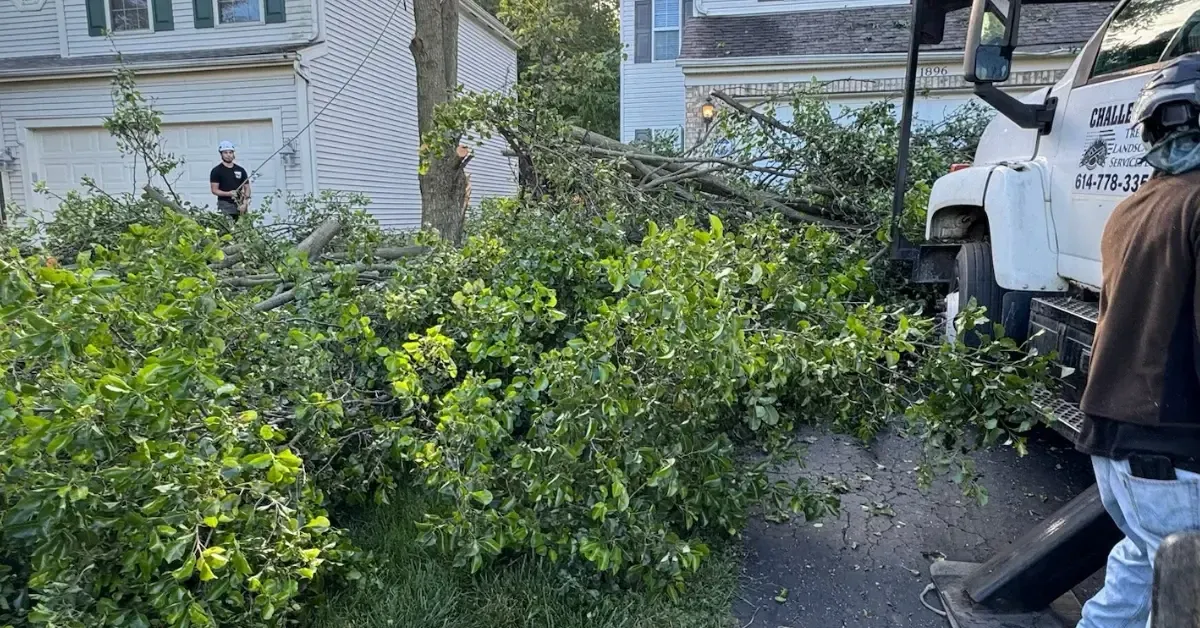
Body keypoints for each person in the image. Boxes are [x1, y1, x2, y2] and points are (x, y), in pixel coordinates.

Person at [1076, 52, 1200, 628]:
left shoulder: (1134, 206)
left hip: (1118, 448)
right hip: (1173, 452)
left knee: (1140, 567)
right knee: (1183, 598)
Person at [210, 141, 251, 221]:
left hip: (240, 204)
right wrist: (228, 193)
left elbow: (247, 188)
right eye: (225, 153)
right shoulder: (216, 171)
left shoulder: (240, 170)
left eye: (230, 152)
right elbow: (214, 190)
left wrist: (245, 203)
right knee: (229, 226)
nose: (228, 155)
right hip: (225, 204)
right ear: (221, 154)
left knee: (243, 225)